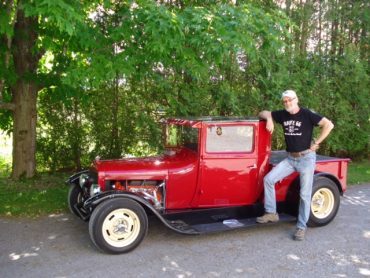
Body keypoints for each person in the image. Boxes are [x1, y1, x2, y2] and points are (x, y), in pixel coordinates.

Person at [257, 90, 334, 241]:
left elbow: (328, 125)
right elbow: (262, 112)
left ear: (296, 99)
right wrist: (270, 119)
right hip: (290, 159)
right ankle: (272, 213)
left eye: (289, 100)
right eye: (284, 101)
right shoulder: (283, 115)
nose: (287, 103)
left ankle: (301, 227)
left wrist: (317, 142)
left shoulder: (307, 114)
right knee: (269, 179)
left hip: (306, 158)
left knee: (305, 195)